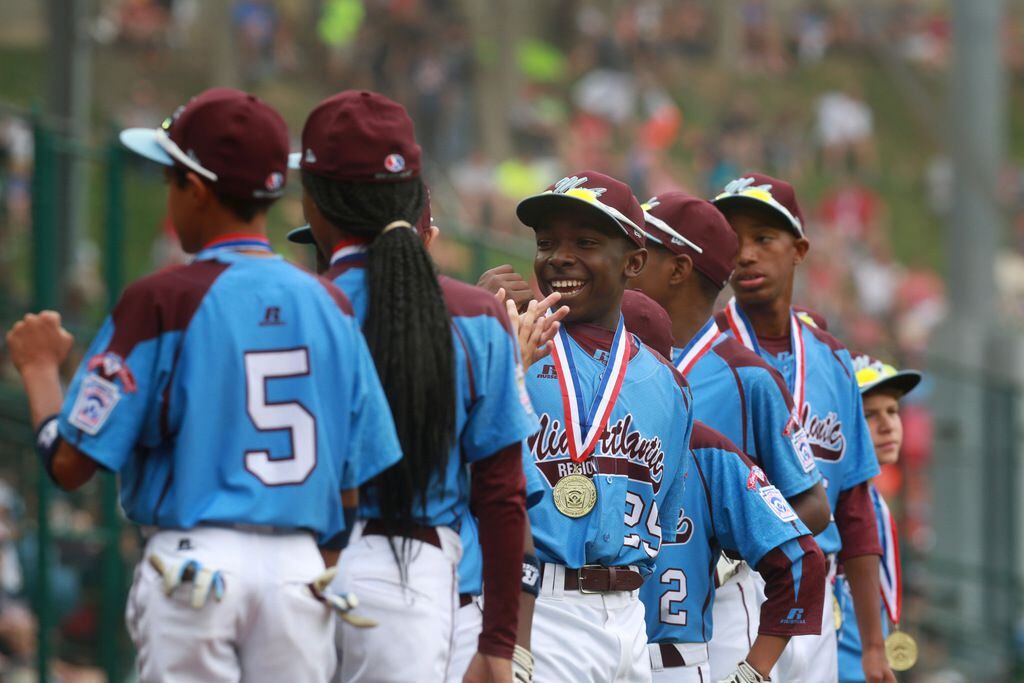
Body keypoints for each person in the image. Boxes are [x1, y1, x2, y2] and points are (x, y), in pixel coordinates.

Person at [5, 88, 402, 682]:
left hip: (195, 565)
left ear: (194, 187)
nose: (169, 194)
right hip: (300, 566)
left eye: (171, 179)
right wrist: (312, 565)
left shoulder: (163, 297)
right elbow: (357, 475)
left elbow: (69, 464)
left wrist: (39, 371)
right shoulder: (329, 302)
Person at [289, 90, 536, 683]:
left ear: (313, 206)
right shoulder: (479, 315)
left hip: (287, 565)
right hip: (411, 579)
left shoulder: (288, 307)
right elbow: (503, 496)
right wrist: (501, 643)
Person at [627, 191, 830, 678]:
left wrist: (731, 546)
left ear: (678, 268)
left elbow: (814, 507)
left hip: (716, 610)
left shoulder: (746, 377)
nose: (626, 258)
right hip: (625, 606)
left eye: (641, 246)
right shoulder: (615, 355)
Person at [711, 172, 894, 683]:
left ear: (799, 248)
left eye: (764, 239)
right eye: (732, 241)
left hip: (820, 599)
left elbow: (856, 508)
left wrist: (874, 646)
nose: (745, 254)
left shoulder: (834, 359)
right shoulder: (703, 349)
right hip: (732, 585)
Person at [514, 170, 692, 682]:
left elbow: (667, 515)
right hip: (539, 603)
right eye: (546, 242)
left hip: (628, 614)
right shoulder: (513, 341)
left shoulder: (669, 386)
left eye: (586, 242)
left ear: (634, 261)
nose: (559, 256)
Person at [835, 355, 921, 682]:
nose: (888, 425)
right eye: (870, 414)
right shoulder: (831, 506)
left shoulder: (875, 502)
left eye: (893, 411)